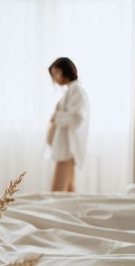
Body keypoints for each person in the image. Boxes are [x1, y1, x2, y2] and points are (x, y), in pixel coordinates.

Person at [47, 57, 90, 192]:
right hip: (65, 149)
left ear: (64, 71)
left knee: (57, 192)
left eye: (56, 73)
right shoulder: (71, 90)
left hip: (67, 149)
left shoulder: (76, 90)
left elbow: (77, 118)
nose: (54, 78)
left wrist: (55, 117)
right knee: (69, 191)